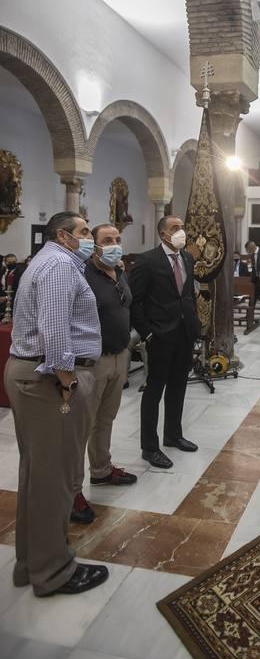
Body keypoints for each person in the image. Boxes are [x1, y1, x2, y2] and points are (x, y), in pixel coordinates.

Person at [4, 211, 108, 597]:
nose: (90, 239)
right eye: (84, 232)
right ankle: (54, 572)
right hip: (48, 379)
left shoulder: (45, 261)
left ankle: (31, 563)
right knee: (56, 479)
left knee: (38, 473)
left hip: (32, 373)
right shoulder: (61, 265)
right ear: (63, 236)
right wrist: (67, 379)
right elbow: (55, 325)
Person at [71, 223, 137, 525]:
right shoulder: (82, 274)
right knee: (80, 426)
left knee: (106, 418)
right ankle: (72, 491)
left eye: (117, 239)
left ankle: (101, 470)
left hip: (119, 354)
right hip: (92, 361)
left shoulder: (119, 272)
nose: (113, 244)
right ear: (94, 245)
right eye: (106, 240)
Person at [129, 215, 200, 469]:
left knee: (179, 386)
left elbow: (188, 294)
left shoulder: (187, 258)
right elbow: (134, 301)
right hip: (159, 334)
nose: (181, 231)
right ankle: (150, 447)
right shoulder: (147, 261)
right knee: (154, 390)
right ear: (162, 234)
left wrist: (194, 324)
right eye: (175, 228)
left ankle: (173, 434)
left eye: (182, 227)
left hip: (184, 332)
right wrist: (146, 332)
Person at [245, 240, 260, 307]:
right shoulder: (252, 254)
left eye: (247, 249)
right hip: (256, 278)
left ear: (251, 247)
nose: (247, 251)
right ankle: (250, 314)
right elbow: (254, 267)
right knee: (253, 295)